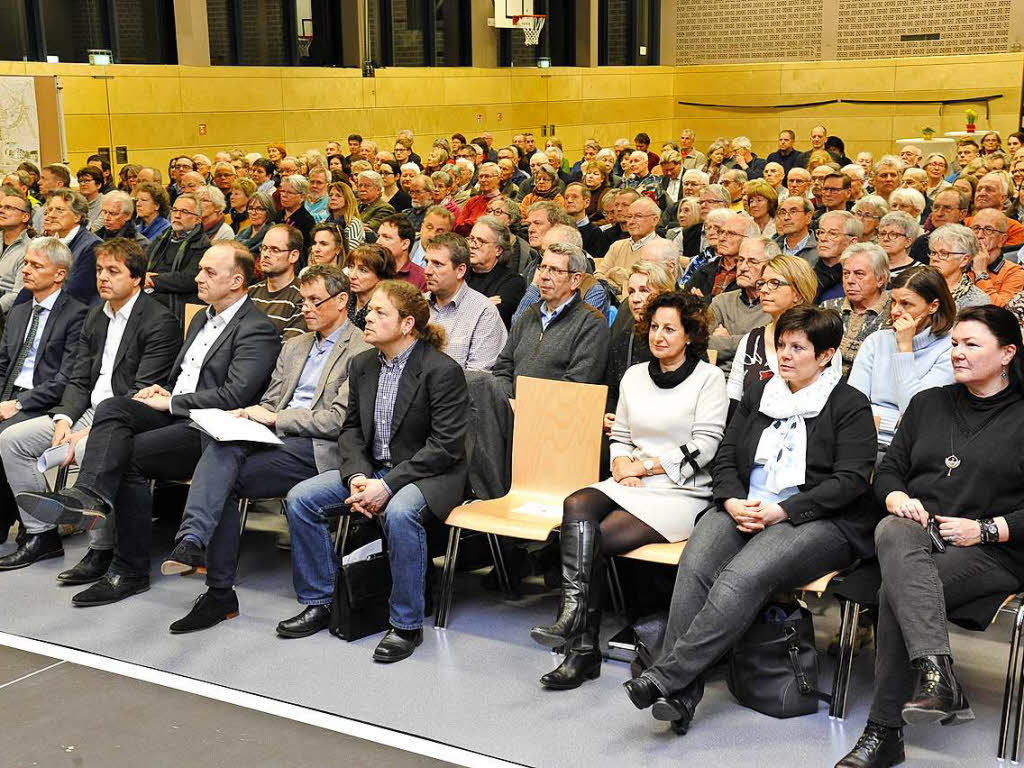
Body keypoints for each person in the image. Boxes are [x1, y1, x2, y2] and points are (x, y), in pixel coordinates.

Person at [624, 305, 877, 735]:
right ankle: (681, 695)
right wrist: (730, 500)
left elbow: (850, 481)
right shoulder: (761, 393)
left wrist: (785, 510)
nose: (786, 355)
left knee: (742, 576)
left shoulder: (848, 404)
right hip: (747, 504)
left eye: (799, 348)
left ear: (827, 355)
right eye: (781, 345)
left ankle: (667, 676)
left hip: (814, 519)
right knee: (697, 563)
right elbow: (725, 456)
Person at [15, 241, 282, 607]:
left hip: (209, 428)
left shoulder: (257, 328)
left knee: (127, 456)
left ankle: (127, 567)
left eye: (208, 272)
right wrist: (164, 390)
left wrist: (170, 400)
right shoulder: (203, 317)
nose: (198, 277)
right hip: (174, 411)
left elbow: (234, 395)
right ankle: (89, 499)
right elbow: (185, 378)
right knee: (113, 406)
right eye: (200, 268)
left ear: (237, 281)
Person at [836, 305, 1024, 768]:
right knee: (891, 527)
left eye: (971, 345)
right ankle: (938, 675)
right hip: (918, 534)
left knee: (899, 590)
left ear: (1007, 353)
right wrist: (897, 495)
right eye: (954, 343)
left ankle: (883, 733)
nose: (957, 353)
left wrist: (986, 529)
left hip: (992, 548)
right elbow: (890, 470)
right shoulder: (928, 403)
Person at [531, 292, 728, 690]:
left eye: (670, 328)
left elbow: (707, 445)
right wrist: (621, 462)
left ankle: (582, 648)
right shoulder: (635, 375)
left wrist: (647, 466)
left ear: (689, 334)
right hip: (632, 480)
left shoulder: (709, 378)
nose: (659, 335)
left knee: (594, 539)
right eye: (654, 327)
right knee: (577, 503)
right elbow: (620, 435)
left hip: (682, 490)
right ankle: (574, 619)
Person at [160, 265, 370, 633]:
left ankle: (207, 568)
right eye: (302, 300)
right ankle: (209, 575)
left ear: (341, 301)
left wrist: (276, 419)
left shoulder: (361, 349)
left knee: (218, 475)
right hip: (275, 440)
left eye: (314, 301)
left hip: (318, 448)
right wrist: (249, 416)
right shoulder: (295, 345)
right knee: (220, 450)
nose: (305, 308)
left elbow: (337, 420)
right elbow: (271, 401)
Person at [282, 280, 468, 661]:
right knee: (301, 498)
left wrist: (386, 485)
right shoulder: (363, 364)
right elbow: (351, 430)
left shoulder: (440, 370)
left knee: (400, 512)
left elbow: (445, 448)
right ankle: (320, 601)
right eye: (369, 309)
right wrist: (357, 478)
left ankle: (405, 624)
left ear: (406, 324)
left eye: (381, 311)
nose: (367, 315)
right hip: (372, 470)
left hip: (429, 474)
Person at [0, 238, 180, 575]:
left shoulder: (159, 320)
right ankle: (41, 536)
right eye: (99, 270)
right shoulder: (97, 314)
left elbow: (142, 393)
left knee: (86, 449)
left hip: (126, 414)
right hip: (87, 409)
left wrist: (87, 431)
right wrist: (65, 420)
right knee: (12, 441)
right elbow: (79, 378)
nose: (103, 278)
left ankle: (101, 551)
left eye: (113, 271)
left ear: (137, 278)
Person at [0, 237, 88, 546]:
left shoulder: (77, 314)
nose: (26, 270)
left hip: (47, 402)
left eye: (37, 265)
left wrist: (18, 403)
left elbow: (67, 378)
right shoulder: (20, 311)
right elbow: (2, 364)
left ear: (60, 274)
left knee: (6, 434)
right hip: (11, 397)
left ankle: (28, 525)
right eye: (26, 263)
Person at [848, 267, 955, 448]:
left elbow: (915, 412)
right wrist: (891, 424)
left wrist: (905, 349)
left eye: (906, 304)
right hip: (863, 440)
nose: (896, 311)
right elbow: (852, 408)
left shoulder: (950, 349)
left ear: (933, 306)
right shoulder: (876, 340)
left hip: (913, 447)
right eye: (893, 302)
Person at [491, 242, 609, 397]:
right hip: (512, 410)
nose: (544, 276)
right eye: (543, 267)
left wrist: (527, 406)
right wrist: (508, 401)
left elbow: (578, 384)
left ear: (575, 280)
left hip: (556, 415)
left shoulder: (591, 323)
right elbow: (503, 367)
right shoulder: (529, 315)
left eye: (554, 270)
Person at [727, 254, 818, 402]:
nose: (763, 290)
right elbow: (733, 398)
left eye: (775, 283)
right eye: (762, 283)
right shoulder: (751, 341)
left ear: (798, 294)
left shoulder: (820, 339)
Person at [604, 261, 676, 421]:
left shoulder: (682, 340)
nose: (635, 299)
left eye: (644, 291)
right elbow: (611, 390)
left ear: (664, 295)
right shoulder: (623, 338)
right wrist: (609, 415)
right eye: (631, 292)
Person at [424, 232, 506, 371]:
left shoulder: (483, 312)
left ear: (460, 270)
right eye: (427, 262)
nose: (427, 271)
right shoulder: (417, 305)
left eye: (437, 264)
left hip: (457, 391)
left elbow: (478, 378)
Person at [821, 243, 893, 376]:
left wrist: (838, 348)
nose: (850, 280)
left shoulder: (894, 312)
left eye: (859, 274)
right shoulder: (827, 308)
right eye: (846, 274)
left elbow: (885, 360)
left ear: (881, 279)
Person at [708, 236, 777, 371]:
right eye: (740, 260)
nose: (743, 267)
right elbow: (704, 344)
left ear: (770, 266)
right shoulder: (721, 302)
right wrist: (750, 341)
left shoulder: (776, 305)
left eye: (752, 262)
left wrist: (727, 342)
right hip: (720, 379)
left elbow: (768, 345)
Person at [144, 192, 211, 325]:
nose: (177, 215)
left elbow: (189, 278)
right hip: (152, 293)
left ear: (198, 219)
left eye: (184, 212)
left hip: (179, 301)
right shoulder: (162, 238)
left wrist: (153, 280)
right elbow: (142, 262)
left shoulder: (202, 244)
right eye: (174, 210)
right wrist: (142, 276)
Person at [35, 189, 101, 306]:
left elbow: (76, 290)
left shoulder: (92, 246)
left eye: (59, 210)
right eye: (50, 210)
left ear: (77, 216)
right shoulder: (48, 243)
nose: (51, 215)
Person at [597, 198, 672, 295]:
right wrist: (619, 289)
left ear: (655, 220)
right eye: (629, 217)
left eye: (638, 216)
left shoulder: (663, 248)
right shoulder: (617, 246)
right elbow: (598, 276)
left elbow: (653, 285)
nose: (631, 221)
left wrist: (614, 273)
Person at [465, 216, 527, 329]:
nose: (472, 245)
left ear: (498, 250)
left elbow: (490, 321)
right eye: (471, 239)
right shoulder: (459, 273)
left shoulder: (512, 282)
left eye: (480, 241)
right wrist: (483, 305)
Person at [248, 223, 306, 340]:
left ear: (293, 256)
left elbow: (288, 350)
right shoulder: (250, 292)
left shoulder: (304, 296)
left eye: (275, 250)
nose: (266, 255)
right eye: (264, 248)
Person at [969, 208, 1024, 306]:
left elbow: (998, 313)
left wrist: (981, 273)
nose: (979, 235)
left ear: (1002, 239)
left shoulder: (1014, 272)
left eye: (988, 230)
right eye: (976, 228)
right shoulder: (958, 262)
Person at [928, 223, 990, 310]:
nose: (934, 258)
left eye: (944, 253)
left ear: (964, 260)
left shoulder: (977, 301)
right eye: (933, 252)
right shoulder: (918, 285)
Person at [815, 210, 862, 301]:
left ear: (852, 242)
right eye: (821, 232)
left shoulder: (858, 280)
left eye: (833, 233)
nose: (823, 238)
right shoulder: (805, 275)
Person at [346, 244, 394, 330]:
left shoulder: (385, 310)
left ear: (381, 276)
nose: (352, 275)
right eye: (351, 266)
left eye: (363, 270)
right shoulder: (343, 300)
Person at [0, 191, 32, 314]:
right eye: (1, 207)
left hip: (7, 315)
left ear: (25, 217)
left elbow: (17, 294)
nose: (1, 211)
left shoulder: (30, 250)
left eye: (8, 208)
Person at [376, 214, 427, 291]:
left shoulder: (421, 279)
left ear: (405, 244)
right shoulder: (372, 270)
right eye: (378, 236)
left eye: (386, 237)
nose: (378, 242)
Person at [876, 211, 921, 285]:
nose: (885, 239)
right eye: (882, 234)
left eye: (893, 234)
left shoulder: (919, 272)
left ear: (908, 242)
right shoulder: (870, 265)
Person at [236, 191, 276, 258]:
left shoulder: (273, 235)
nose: (253, 213)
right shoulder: (242, 233)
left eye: (259, 209)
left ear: (268, 211)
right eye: (251, 208)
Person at [326, 181, 366, 247]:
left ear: (347, 200)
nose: (333, 198)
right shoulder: (325, 222)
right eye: (330, 195)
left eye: (338, 196)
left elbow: (350, 252)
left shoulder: (353, 223)